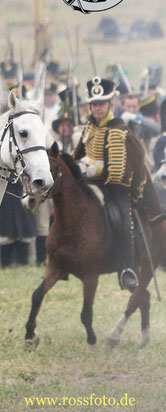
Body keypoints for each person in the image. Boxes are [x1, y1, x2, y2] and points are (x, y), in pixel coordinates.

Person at [75, 77, 155, 290]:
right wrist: (76, 165)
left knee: (120, 219)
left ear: (110, 104)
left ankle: (126, 268)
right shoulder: (89, 127)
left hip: (116, 187)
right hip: (90, 182)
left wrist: (96, 168)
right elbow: (78, 153)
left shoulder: (119, 129)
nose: (97, 108)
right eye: (94, 104)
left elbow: (119, 169)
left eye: (101, 104)